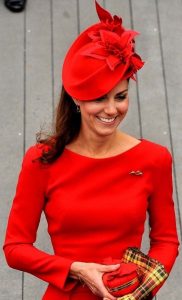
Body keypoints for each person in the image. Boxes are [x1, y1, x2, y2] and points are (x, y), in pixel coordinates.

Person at [3, 1, 179, 300]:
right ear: (76, 99)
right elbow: (15, 248)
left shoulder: (154, 158)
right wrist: (76, 269)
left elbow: (166, 241)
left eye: (121, 96)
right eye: (99, 98)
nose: (112, 109)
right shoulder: (41, 160)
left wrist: (141, 290)